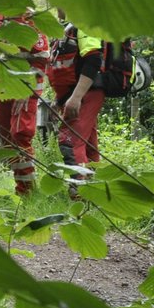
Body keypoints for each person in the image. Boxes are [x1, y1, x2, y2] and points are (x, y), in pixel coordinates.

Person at [0, 0, 50, 196]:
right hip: (4, 84)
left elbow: (43, 55)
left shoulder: (30, 18)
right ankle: (22, 188)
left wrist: (28, 83)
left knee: (21, 134)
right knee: (6, 137)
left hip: (27, 82)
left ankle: (30, 191)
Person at [49, 12, 106, 198]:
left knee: (70, 141)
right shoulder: (66, 29)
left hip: (85, 93)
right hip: (75, 94)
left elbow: (93, 59)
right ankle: (94, 194)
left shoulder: (85, 23)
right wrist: (59, 100)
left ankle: (80, 196)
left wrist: (76, 97)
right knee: (88, 145)